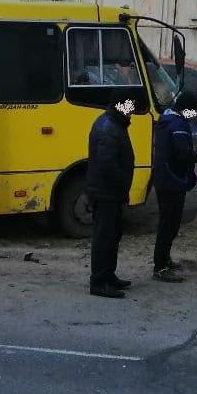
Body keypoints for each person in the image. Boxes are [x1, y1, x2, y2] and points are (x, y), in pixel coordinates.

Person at [151, 91, 197, 282]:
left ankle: (164, 259)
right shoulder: (178, 125)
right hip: (172, 181)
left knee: (168, 224)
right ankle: (161, 267)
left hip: (166, 179)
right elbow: (183, 154)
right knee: (169, 225)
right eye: (193, 111)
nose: (194, 115)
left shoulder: (166, 120)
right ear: (186, 109)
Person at [85, 97, 136, 299]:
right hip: (106, 192)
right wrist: (123, 181)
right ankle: (98, 282)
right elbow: (108, 164)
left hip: (111, 192)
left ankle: (108, 275)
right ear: (119, 106)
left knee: (113, 235)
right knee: (104, 237)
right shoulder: (109, 127)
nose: (131, 113)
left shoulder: (114, 123)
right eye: (129, 108)